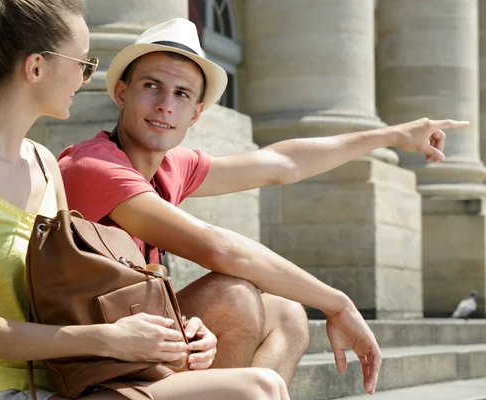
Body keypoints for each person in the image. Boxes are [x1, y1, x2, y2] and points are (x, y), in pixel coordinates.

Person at [59, 17, 470, 396]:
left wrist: (392, 136)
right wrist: (337, 301)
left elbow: (282, 163)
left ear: (196, 113)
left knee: (287, 314)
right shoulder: (92, 164)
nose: (166, 104)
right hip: (88, 364)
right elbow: (217, 249)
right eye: (152, 86)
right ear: (121, 92)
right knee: (232, 294)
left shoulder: (171, 166)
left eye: (182, 94)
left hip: (141, 338)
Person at [0, 2, 289, 400]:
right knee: (256, 387)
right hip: (0, 391)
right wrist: (109, 339)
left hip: (74, 379)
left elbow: (71, 296)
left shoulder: (44, 164)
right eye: (81, 62)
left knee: (264, 368)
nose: (85, 76)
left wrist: (175, 332)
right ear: (37, 67)